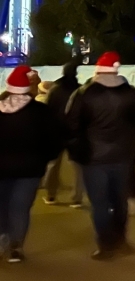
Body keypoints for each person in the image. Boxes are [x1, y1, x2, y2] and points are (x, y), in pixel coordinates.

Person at [67, 52, 135, 260]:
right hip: (123, 155)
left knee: (100, 204)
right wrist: (131, 138)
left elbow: (71, 124)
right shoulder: (131, 93)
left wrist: (78, 149)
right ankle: (121, 239)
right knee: (120, 200)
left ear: (97, 70)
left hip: (93, 157)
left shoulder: (84, 93)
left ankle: (105, 244)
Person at [0, 65, 65, 263]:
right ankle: (15, 248)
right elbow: (55, 140)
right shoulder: (41, 112)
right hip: (31, 170)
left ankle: (1, 240)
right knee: (20, 208)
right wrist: (46, 159)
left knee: (1, 206)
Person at [42, 62, 85, 208]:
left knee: (53, 164)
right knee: (77, 166)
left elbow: (47, 110)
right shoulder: (80, 90)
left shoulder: (55, 89)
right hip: (75, 132)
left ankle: (51, 195)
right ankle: (77, 198)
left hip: (56, 131)